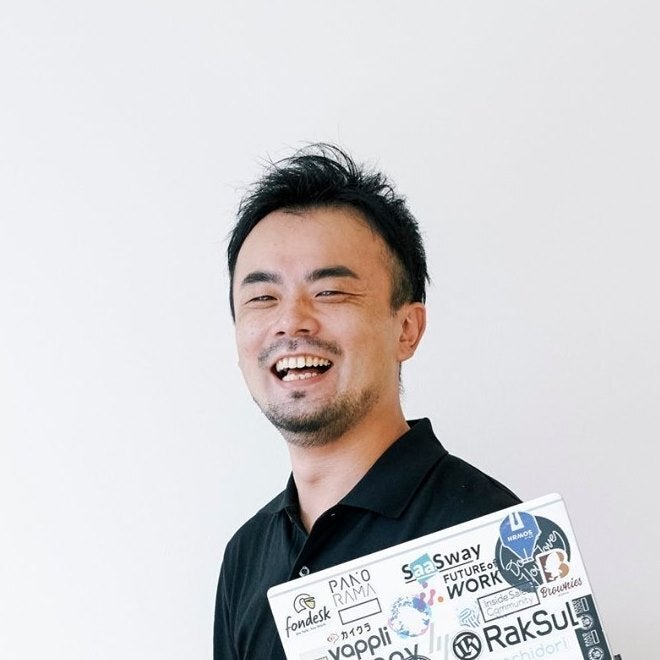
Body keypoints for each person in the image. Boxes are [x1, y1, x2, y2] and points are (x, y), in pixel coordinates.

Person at [214, 144, 520, 659]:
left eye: (330, 291)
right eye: (262, 297)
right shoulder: (245, 556)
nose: (291, 321)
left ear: (406, 329)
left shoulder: (494, 536)